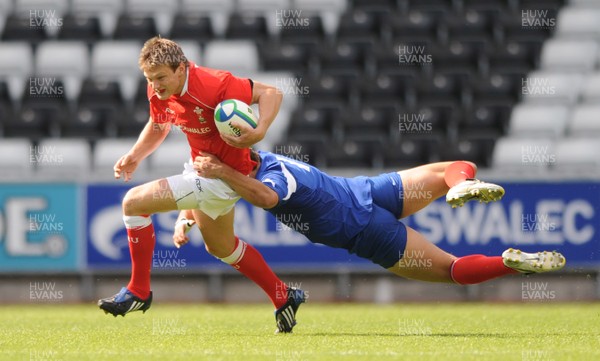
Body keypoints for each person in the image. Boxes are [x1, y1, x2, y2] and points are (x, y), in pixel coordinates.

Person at [176, 150, 565, 328]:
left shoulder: (269, 181)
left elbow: (261, 196)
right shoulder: (264, 158)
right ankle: (463, 185)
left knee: (452, 270)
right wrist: (186, 214)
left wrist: (215, 183)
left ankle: (507, 263)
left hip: (366, 232)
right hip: (372, 191)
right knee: (453, 167)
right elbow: (214, 188)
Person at [97, 37, 305, 334]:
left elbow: (272, 92)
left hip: (222, 176)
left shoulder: (216, 84)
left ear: (181, 68)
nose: (155, 85)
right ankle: (283, 295)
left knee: (133, 203)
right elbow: (159, 125)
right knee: (221, 247)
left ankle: (139, 291)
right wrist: (135, 155)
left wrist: (257, 132)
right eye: (149, 79)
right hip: (205, 171)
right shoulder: (159, 88)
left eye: (160, 77)